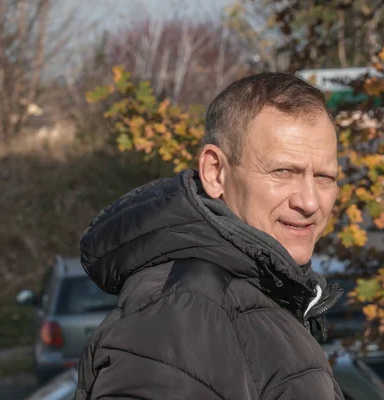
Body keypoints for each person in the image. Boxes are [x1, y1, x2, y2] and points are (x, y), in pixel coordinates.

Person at [74, 72, 345, 400]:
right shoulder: (184, 310)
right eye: (283, 172)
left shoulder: (263, 294)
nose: (310, 202)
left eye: (325, 177)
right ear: (215, 172)